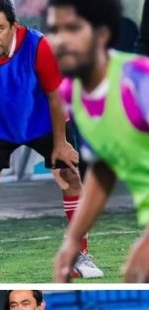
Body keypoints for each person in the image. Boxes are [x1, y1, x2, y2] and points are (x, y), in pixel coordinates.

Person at [0, 0, 103, 283]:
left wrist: (60, 142)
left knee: (70, 176)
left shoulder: (39, 46)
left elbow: (55, 95)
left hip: (44, 121)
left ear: (14, 26)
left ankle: (79, 256)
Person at [49, 0, 149, 283]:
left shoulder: (139, 81)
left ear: (102, 34)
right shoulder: (72, 93)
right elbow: (103, 170)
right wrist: (72, 241)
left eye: (72, 28)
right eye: (54, 30)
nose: (60, 40)